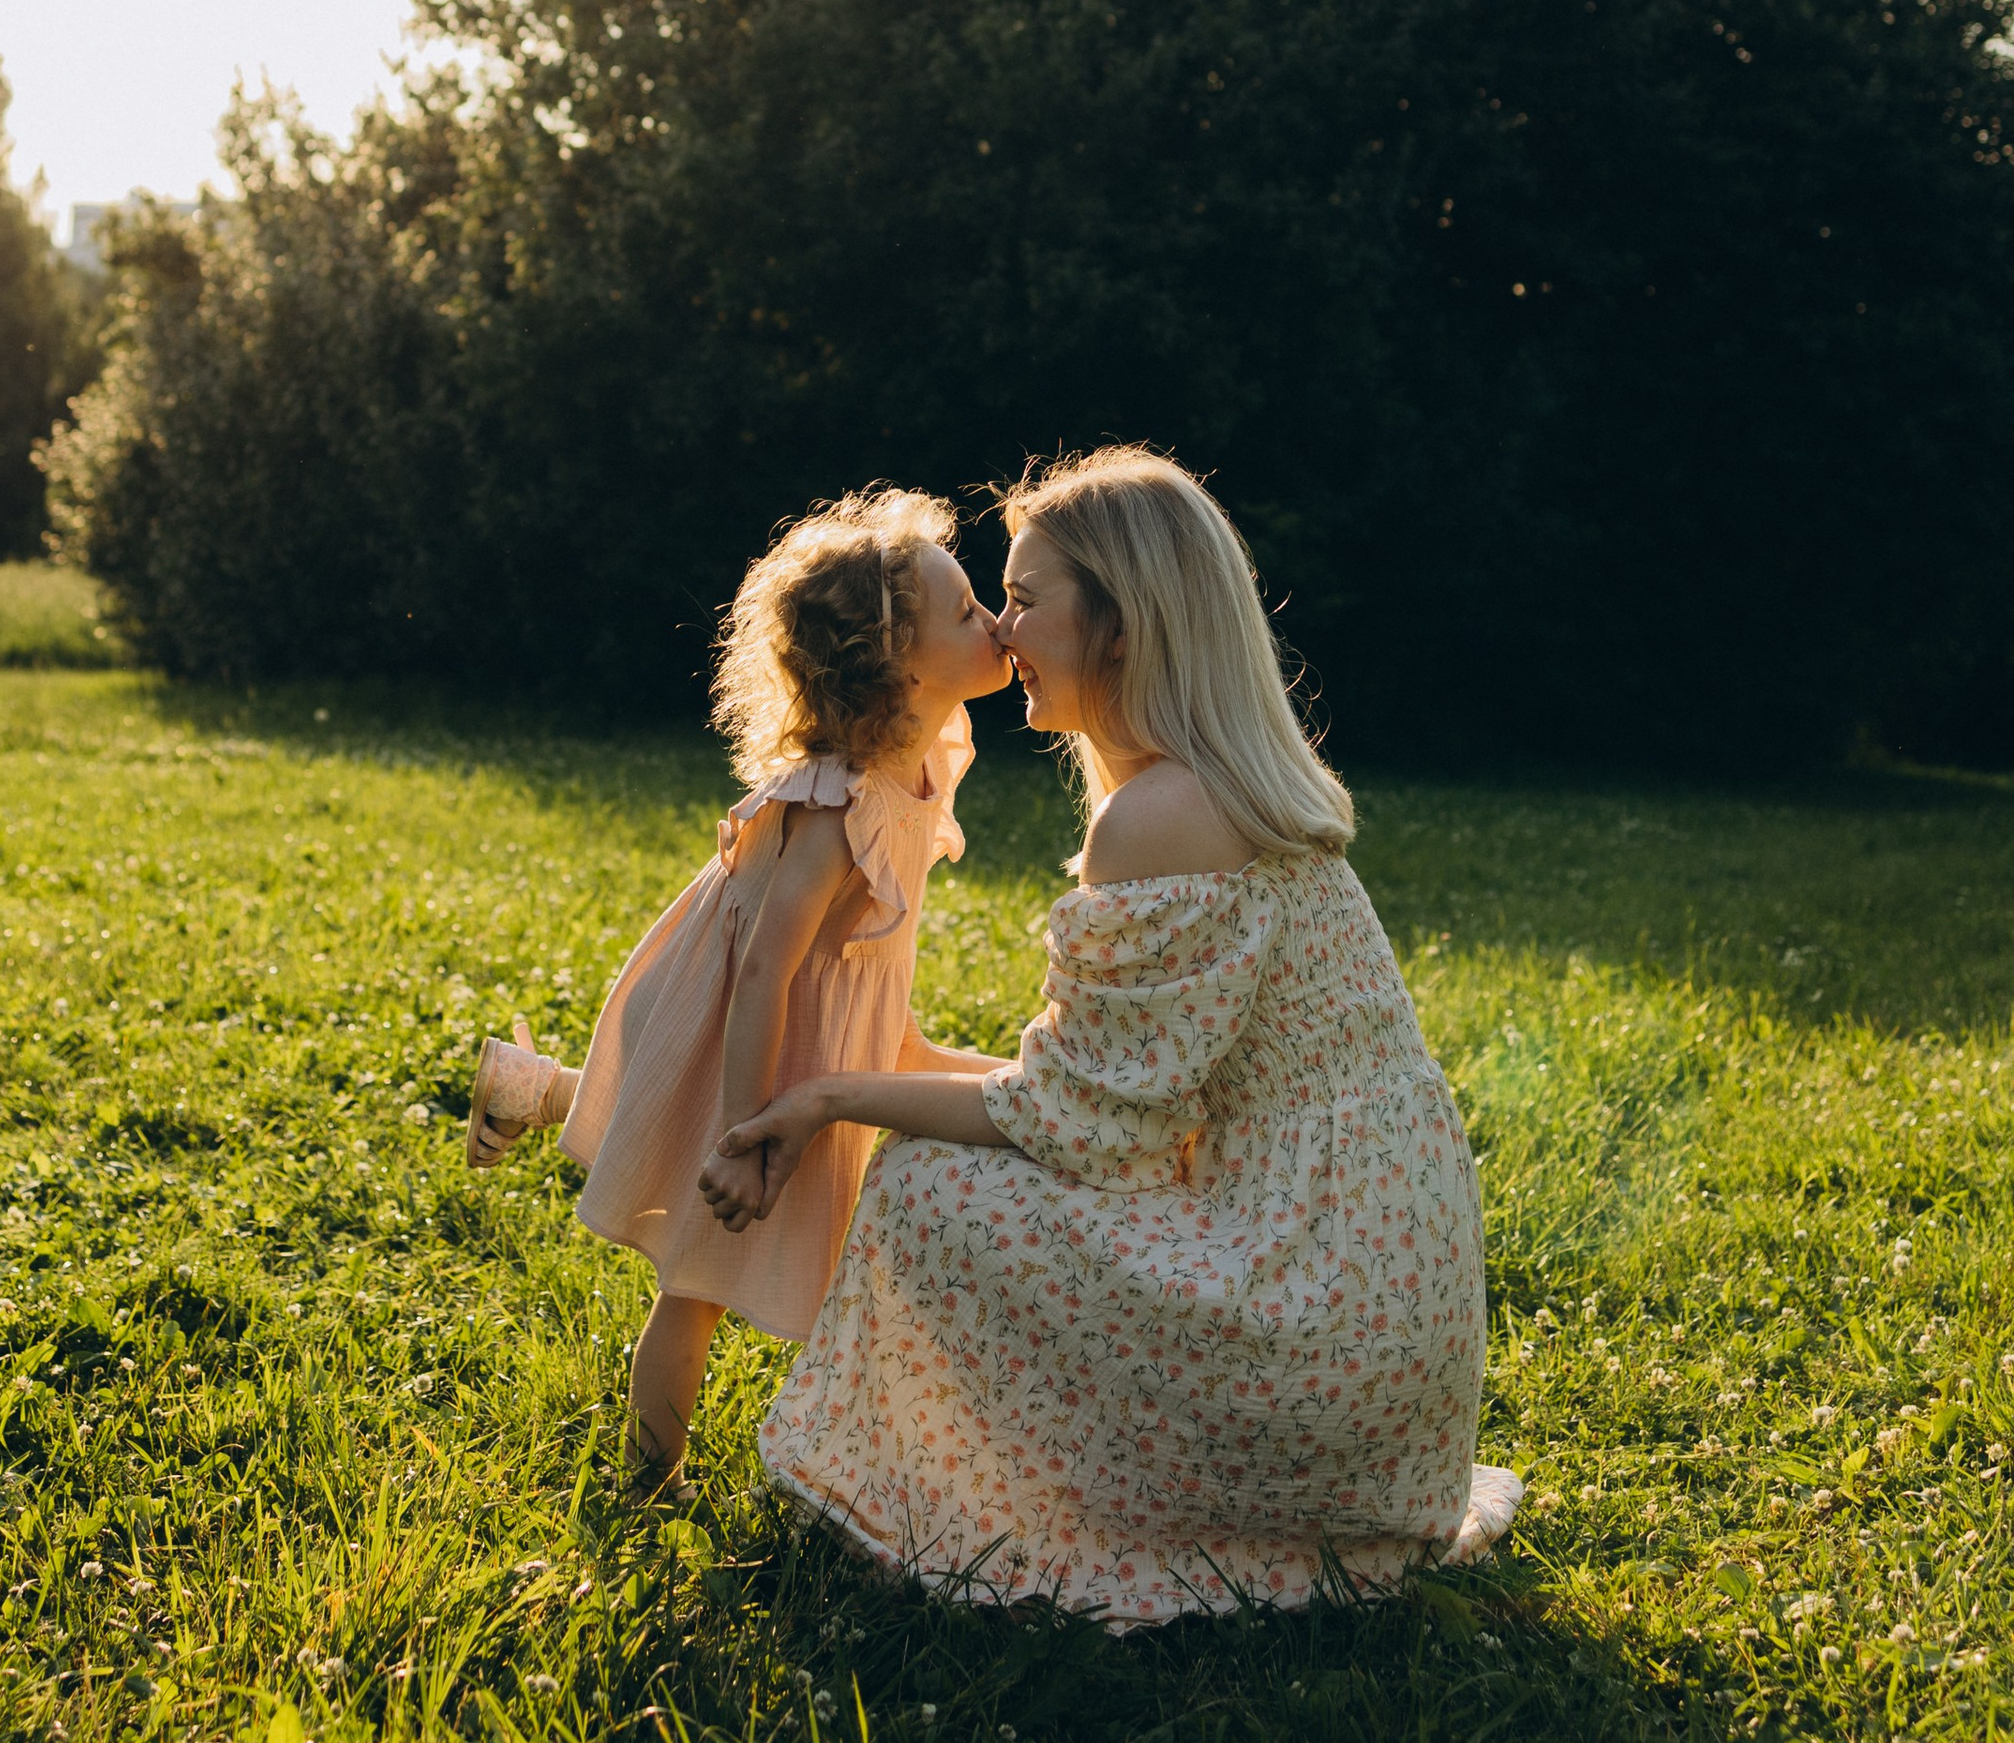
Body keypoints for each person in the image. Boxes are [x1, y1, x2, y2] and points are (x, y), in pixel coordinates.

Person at [700, 445, 1520, 1625]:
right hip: (1374, 1309)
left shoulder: (1161, 816)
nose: (1003, 632)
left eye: (1024, 599)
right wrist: (845, 1085)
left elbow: (1079, 1131)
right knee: (954, 1169)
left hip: (1317, 1310)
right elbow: (1098, 1105)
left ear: (1120, 626)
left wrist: (829, 1098)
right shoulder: (1220, 787)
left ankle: (978, 1515)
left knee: (926, 1189)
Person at [464, 487, 1011, 1476]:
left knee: (897, 1090)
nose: (995, 620)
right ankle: (650, 1489)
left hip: (834, 1020)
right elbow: (766, 968)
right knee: (698, 1284)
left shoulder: (925, 758)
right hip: (755, 1030)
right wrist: (744, 1141)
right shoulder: (838, 805)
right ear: (899, 664)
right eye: (968, 610)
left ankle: (529, 1089)